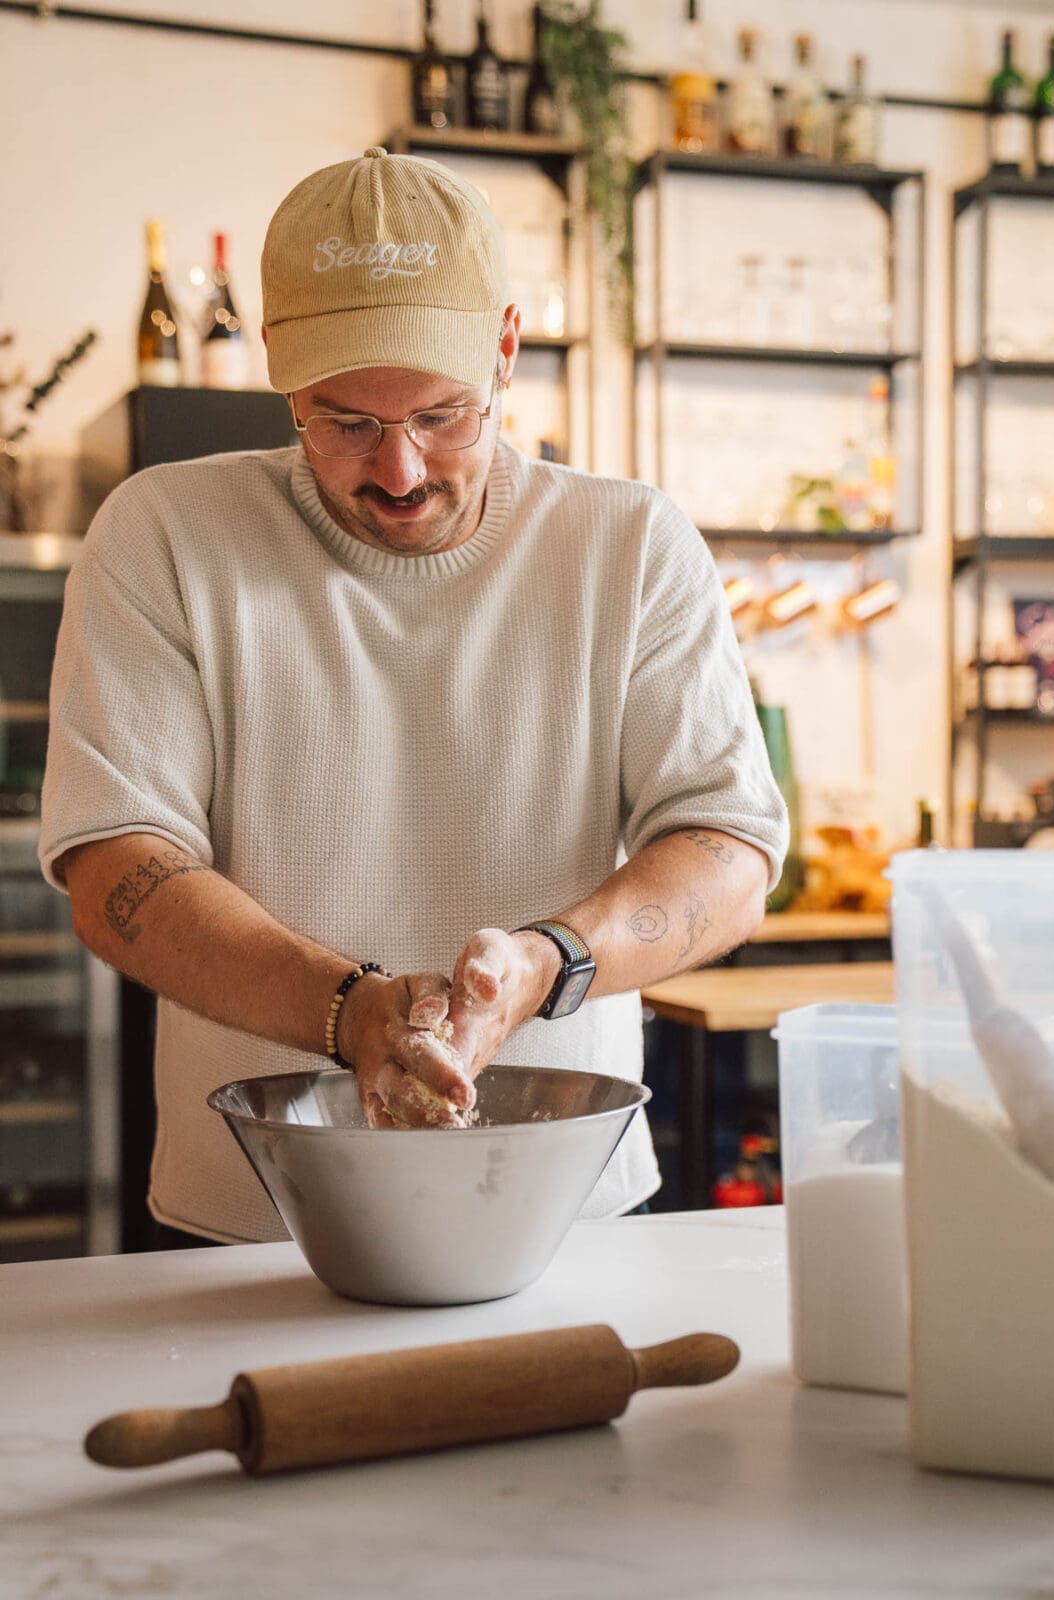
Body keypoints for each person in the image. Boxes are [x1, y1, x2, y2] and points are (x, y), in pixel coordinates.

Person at [39, 147, 788, 1244]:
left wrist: (547, 964)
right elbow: (117, 866)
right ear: (278, 371)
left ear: (505, 348)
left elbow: (728, 853)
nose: (399, 473)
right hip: (248, 1222)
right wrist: (347, 1014)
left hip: (562, 1213)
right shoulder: (163, 537)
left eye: (443, 416)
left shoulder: (627, 546)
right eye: (344, 422)